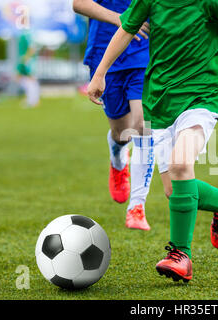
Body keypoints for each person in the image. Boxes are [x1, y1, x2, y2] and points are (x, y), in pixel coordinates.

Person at [87, 0, 218, 282]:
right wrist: (100, 72)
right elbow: (126, 30)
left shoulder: (212, 2)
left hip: (202, 99)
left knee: (179, 165)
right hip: (159, 104)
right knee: (173, 191)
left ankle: (180, 255)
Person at [73, 0, 155, 230]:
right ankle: (118, 157)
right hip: (106, 53)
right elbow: (79, 4)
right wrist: (120, 19)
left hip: (143, 50)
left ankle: (137, 206)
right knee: (123, 133)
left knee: (142, 125)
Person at [17, 31, 40, 108]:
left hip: (28, 61)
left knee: (31, 83)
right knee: (29, 83)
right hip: (27, 61)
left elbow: (32, 48)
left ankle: (32, 101)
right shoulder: (26, 36)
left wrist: (27, 57)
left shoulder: (27, 36)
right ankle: (32, 101)